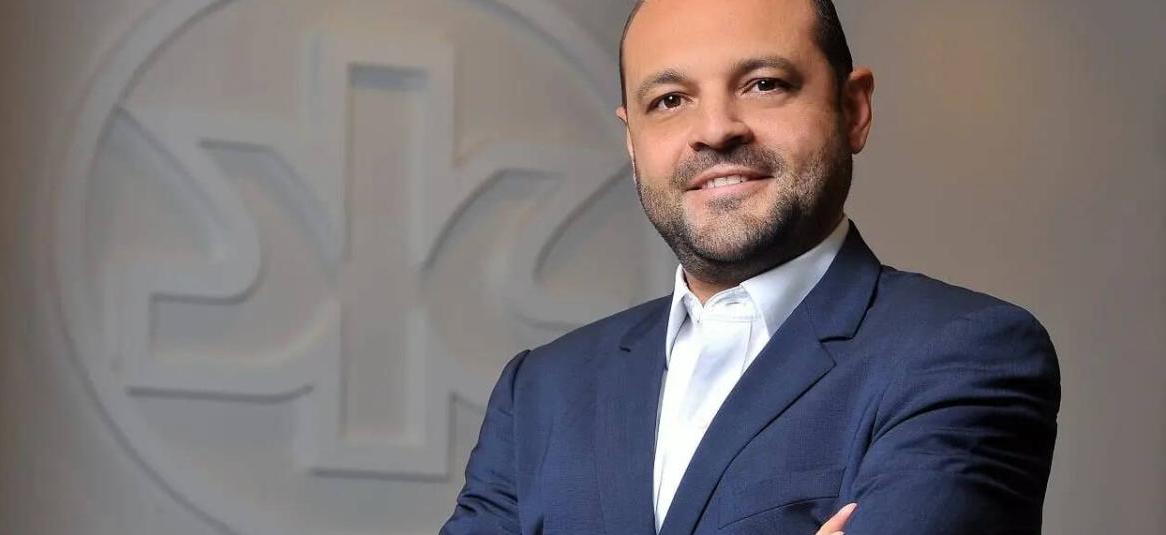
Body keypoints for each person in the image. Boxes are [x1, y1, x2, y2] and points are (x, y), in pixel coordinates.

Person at [441, 0, 1060, 533]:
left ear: (854, 109)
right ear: (632, 142)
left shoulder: (965, 354)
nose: (715, 131)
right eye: (669, 100)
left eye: (764, 84)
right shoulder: (541, 391)